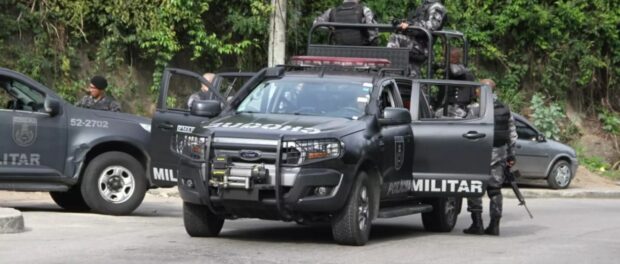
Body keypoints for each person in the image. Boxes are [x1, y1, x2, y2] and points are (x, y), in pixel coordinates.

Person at [463, 78, 517, 236]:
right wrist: (511, 154)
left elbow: (465, 130)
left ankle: (477, 223)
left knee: (473, 186)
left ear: (482, 91)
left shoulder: (474, 109)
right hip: (499, 152)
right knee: (495, 189)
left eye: (478, 89)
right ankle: (494, 225)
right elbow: (512, 134)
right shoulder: (505, 109)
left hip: (477, 152)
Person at [387, 1, 447, 77]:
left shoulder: (438, 8)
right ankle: (399, 78)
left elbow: (432, 26)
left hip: (423, 46)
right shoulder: (423, 5)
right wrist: (402, 23)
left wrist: (410, 25)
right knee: (412, 77)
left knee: (395, 38)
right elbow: (415, 22)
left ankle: (390, 73)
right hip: (414, 43)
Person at [314, 0, 378, 46]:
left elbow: (316, 23)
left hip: (338, 50)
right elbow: (373, 32)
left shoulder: (332, 11)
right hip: (361, 51)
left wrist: (330, 29)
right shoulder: (365, 10)